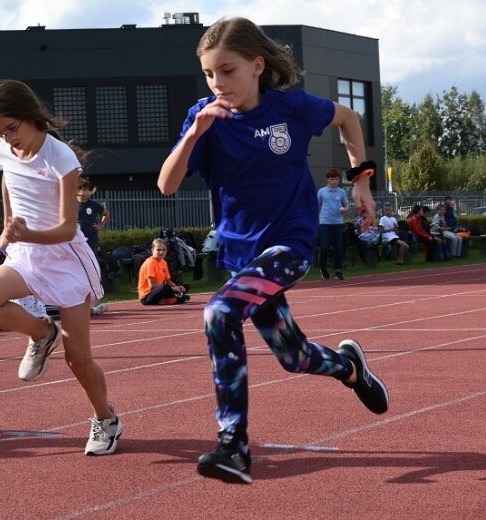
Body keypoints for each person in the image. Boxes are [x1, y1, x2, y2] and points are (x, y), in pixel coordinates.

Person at [157, 18, 388, 483]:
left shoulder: (292, 109)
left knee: (219, 313)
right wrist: (194, 133)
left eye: (228, 71)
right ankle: (350, 368)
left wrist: (362, 181)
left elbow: (347, 118)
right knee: (292, 356)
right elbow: (166, 185)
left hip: (292, 242)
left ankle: (234, 446)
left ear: (257, 66)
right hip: (244, 257)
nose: (218, 83)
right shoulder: (205, 118)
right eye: (209, 74)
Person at [0, 79, 122, 456]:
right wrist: (8, 222)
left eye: (12, 128)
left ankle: (106, 419)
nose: (7, 138)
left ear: (30, 116)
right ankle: (42, 333)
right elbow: (7, 178)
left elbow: (69, 228)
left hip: (65, 259)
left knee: (79, 359)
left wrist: (28, 233)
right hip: (26, 254)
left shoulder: (60, 158)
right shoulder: (3, 151)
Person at [77, 176, 110, 315]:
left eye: (86, 190)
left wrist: (101, 225)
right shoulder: (69, 203)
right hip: (75, 241)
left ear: (91, 192)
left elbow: (106, 214)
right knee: (76, 267)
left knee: (91, 266)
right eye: (80, 189)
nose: (83, 192)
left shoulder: (94, 204)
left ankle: (94, 295)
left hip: (91, 241)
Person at [317, 168, 349, 280]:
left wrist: (344, 209)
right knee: (324, 247)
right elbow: (317, 205)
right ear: (327, 180)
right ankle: (322, 267)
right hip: (325, 222)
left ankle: (338, 271)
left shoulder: (341, 192)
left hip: (338, 223)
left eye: (336, 179)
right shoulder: (322, 191)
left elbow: (346, 205)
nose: (334, 181)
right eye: (332, 179)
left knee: (338, 248)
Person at [137, 238, 190, 305]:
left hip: (161, 291)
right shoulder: (150, 263)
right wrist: (173, 289)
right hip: (148, 296)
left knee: (186, 286)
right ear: (152, 250)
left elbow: (168, 281)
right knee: (165, 287)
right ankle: (177, 298)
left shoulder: (163, 262)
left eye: (163, 250)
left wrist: (176, 287)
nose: (161, 252)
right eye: (158, 250)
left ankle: (173, 298)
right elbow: (152, 286)